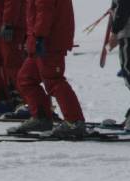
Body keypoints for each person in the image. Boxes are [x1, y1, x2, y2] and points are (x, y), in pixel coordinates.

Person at [9, 0, 86, 138]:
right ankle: (41, 118)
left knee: (54, 80)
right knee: (26, 78)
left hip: (48, 42)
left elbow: (44, 11)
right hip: (41, 40)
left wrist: (39, 37)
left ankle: (74, 121)